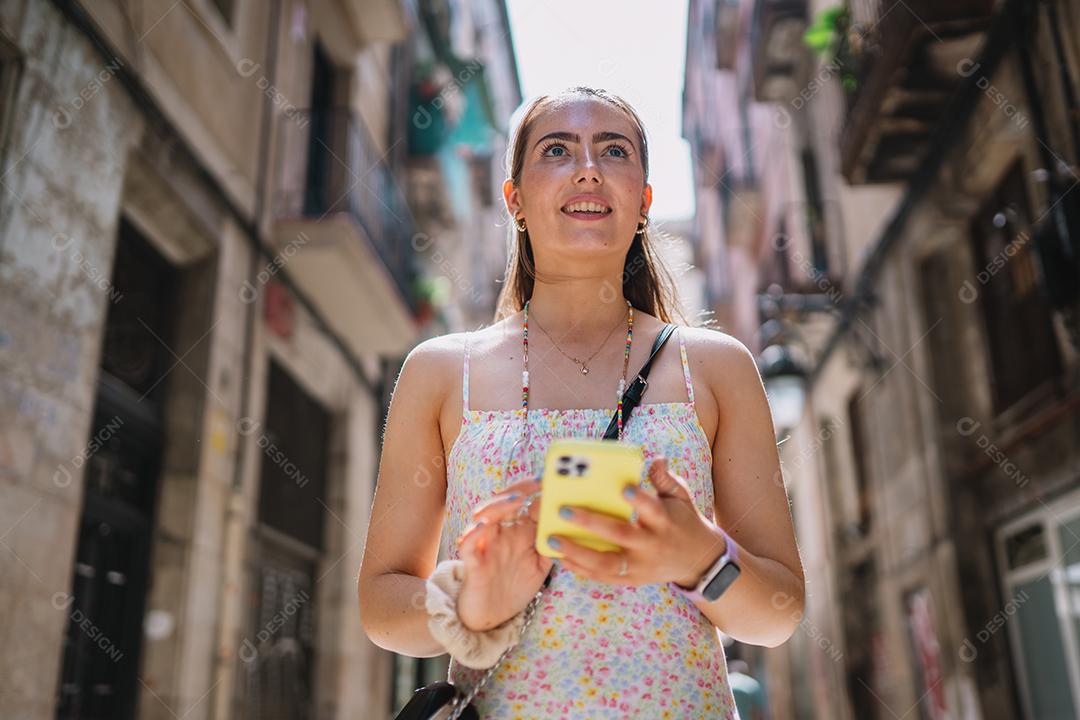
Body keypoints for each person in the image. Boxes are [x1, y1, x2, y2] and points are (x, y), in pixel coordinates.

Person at [358, 86, 805, 718]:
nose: (588, 167)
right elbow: (381, 605)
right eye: (557, 149)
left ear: (644, 202)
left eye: (614, 150)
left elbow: (779, 615)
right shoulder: (438, 372)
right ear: (514, 200)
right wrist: (468, 604)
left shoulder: (716, 366)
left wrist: (701, 555)